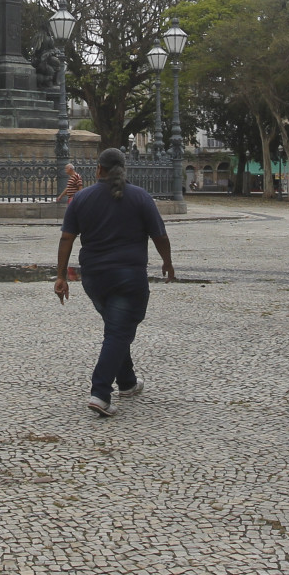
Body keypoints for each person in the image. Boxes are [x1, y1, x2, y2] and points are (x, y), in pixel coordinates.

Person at [54, 148, 175, 418]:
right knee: (119, 331)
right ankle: (100, 392)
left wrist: (61, 275)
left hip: (94, 278)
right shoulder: (141, 197)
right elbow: (160, 236)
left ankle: (128, 382)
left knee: (116, 327)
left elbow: (66, 239)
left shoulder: (81, 199)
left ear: (98, 169)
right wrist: (167, 262)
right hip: (129, 276)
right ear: (123, 169)